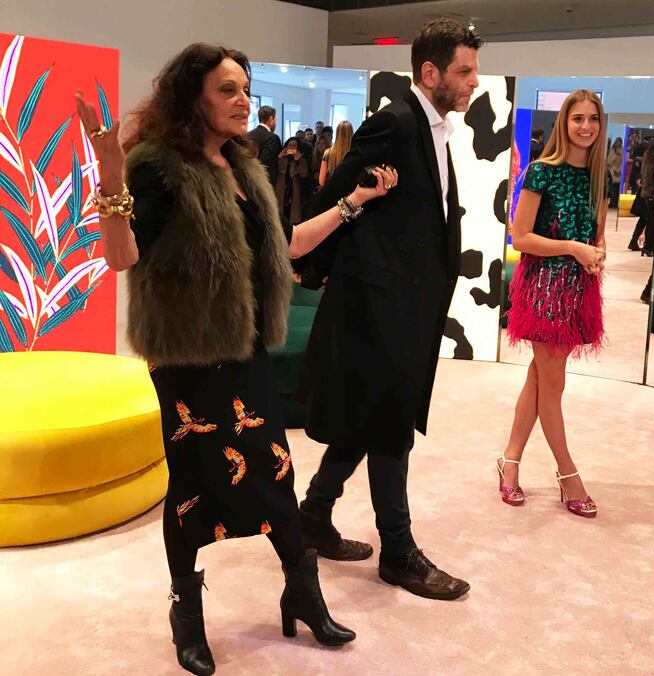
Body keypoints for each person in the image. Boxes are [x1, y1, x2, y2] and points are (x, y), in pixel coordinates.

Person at [75, 43, 397, 676]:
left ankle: (301, 591)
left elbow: (287, 245)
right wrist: (111, 178)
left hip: (245, 349)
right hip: (187, 356)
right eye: (227, 89)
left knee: (275, 472)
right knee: (194, 485)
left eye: (245, 88)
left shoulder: (246, 168)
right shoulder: (157, 166)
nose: (243, 99)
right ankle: (186, 612)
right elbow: (121, 257)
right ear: (191, 95)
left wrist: (353, 202)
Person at [295, 17, 482, 601]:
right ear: (429, 72)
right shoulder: (394, 123)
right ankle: (398, 552)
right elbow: (335, 199)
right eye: (464, 71)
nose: (474, 81)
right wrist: (321, 273)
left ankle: (312, 515)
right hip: (379, 308)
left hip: (408, 304)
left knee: (370, 418)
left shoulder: (435, 127)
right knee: (391, 425)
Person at [501, 89, 606, 517]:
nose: (585, 126)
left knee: (539, 378)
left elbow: (596, 233)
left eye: (593, 118)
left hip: (579, 290)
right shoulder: (542, 172)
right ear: (564, 122)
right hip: (544, 288)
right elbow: (520, 236)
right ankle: (568, 474)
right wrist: (573, 248)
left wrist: (596, 252)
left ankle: (509, 461)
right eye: (577, 118)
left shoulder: (597, 177)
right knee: (554, 384)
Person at [275, 138, 310, 224]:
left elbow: (303, 174)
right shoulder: (282, 158)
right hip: (282, 189)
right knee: (281, 214)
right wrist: (280, 157)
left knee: (293, 215)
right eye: (290, 145)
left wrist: (296, 161)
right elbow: (280, 170)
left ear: (298, 148)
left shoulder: (302, 160)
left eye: (294, 145)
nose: (292, 147)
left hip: (294, 191)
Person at [247, 105, 280, 185]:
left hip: (247, 179)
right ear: (271, 119)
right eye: (275, 120)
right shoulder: (272, 138)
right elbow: (267, 164)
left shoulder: (247, 135)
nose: (276, 122)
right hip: (265, 183)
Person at [319, 120, 354, 187]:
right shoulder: (354, 153)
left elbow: (321, 181)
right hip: (350, 191)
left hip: (332, 190)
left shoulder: (328, 153)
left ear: (337, 133)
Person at [606, 136, 623, 208]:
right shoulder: (612, 150)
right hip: (612, 171)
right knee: (612, 188)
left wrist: (619, 170)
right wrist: (615, 155)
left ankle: (615, 203)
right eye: (617, 142)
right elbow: (609, 161)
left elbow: (623, 161)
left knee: (617, 188)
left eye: (619, 142)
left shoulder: (623, 150)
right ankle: (612, 202)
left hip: (620, 171)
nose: (618, 143)